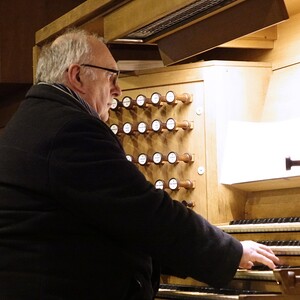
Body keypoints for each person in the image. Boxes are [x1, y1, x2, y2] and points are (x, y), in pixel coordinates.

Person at [0, 28, 279, 300]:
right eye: (111, 78)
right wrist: (231, 252)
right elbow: (145, 212)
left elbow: (116, 222)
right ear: (77, 76)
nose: (118, 90)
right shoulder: (70, 129)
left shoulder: (33, 120)